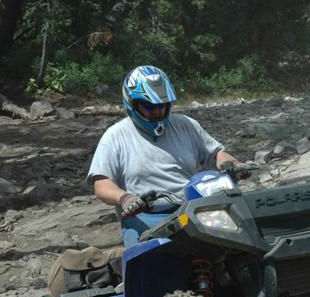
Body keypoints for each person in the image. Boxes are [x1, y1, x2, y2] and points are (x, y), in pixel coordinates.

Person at [87, 65, 246, 247]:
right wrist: (125, 199)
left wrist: (233, 164)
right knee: (144, 260)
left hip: (194, 209)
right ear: (132, 104)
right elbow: (101, 184)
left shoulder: (186, 125)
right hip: (145, 217)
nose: (157, 111)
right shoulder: (115, 136)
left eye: (162, 105)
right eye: (149, 106)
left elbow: (216, 154)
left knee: (237, 246)